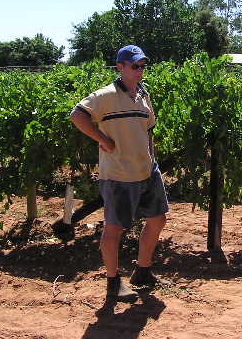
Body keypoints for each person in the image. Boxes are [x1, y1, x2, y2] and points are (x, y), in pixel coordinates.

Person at [70, 45, 170, 301]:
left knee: (158, 219)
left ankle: (143, 271)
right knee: (114, 228)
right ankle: (113, 282)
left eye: (142, 66)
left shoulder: (143, 96)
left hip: (147, 170)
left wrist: (152, 159)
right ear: (120, 67)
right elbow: (78, 115)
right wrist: (102, 139)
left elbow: (149, 130)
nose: (140, 71)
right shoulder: (106, 95)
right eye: (134, 66)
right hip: (118, 174)